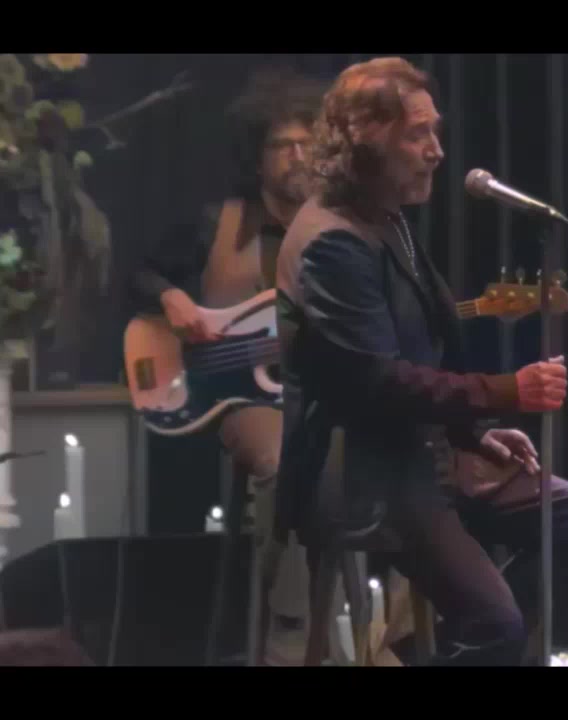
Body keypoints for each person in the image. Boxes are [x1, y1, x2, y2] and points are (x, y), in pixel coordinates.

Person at [275, 57, 568, 666]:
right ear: (365, 141)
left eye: (435, 131)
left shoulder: (385, 217)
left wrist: (474, 434)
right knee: (496, 627)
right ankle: (477, 633)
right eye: (418, 135)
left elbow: (419, 353)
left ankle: (424, 646)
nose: (437, 151)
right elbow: (377, 382)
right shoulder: (332, 240)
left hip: (424, 455)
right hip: (368, 471)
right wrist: (506, 390)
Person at [129, 66, 327, 666]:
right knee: (282, 461)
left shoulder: (338, 230)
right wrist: (171, 296)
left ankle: (372, 635)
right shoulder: (219, 221)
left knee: (395, 460)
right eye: (282, 145)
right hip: (236, 398)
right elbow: (138, 272)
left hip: (321, 395)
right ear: (257, 157)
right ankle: (290, 639)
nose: (297, 156)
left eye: (307, 143)